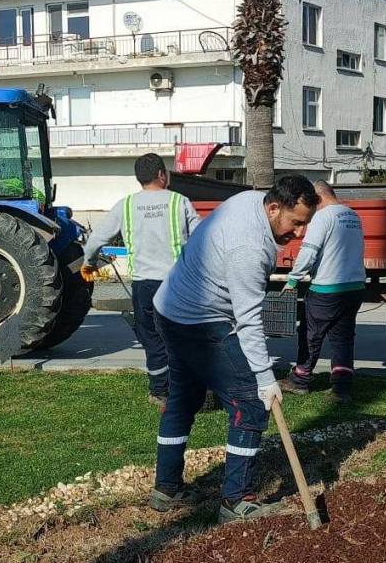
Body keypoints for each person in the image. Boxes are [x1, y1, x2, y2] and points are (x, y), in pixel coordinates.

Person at [150, 175, 319, 523]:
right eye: (296, 222)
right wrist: (265, 379)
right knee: (250, 402)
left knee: (183, 398)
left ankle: (166, 489)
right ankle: (237, 501)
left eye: (305, 224)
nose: (300, 233)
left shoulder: (250, 201)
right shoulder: (250, 248)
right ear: (274, 208)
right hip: (198, 320)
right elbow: (248, 320)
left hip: (169, 308)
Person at [81, 153, 201, 404]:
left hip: (144, 285)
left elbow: (95, 240)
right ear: (161, 175)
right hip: (177, 284)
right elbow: (202, 238)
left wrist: (89, 263)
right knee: (180, 336)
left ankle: (160, 391)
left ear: (139, 178)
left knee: (152, 338)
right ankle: (186, 387)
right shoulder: (179, 201)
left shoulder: (125, 205)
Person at [281, 181, 366, 403]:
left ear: (318, 198)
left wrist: (293, 279)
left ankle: (299, 380)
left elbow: (309, 250)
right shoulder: (352, 215)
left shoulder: (322, 217)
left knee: (311, 335)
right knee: (343, 338)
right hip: (355, 286)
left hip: (327, 288)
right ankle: (341, 388)